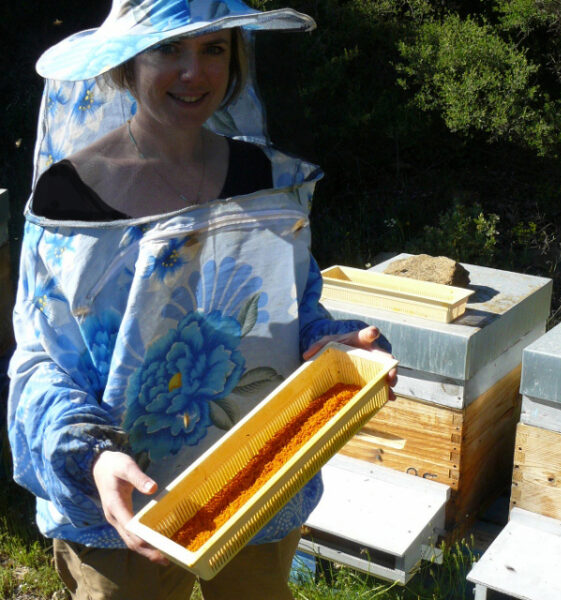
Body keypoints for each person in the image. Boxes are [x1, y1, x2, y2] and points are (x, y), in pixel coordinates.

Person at [7, 1, 395, 599]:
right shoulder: (70, 196)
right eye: (169, 49)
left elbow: (293, 303)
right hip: (126, 509)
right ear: (127, 62)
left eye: (214, 49)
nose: (196, 73)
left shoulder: (261, 175)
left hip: (259, 482)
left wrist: (332, 347)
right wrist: (89, 457)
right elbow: (42, 358)